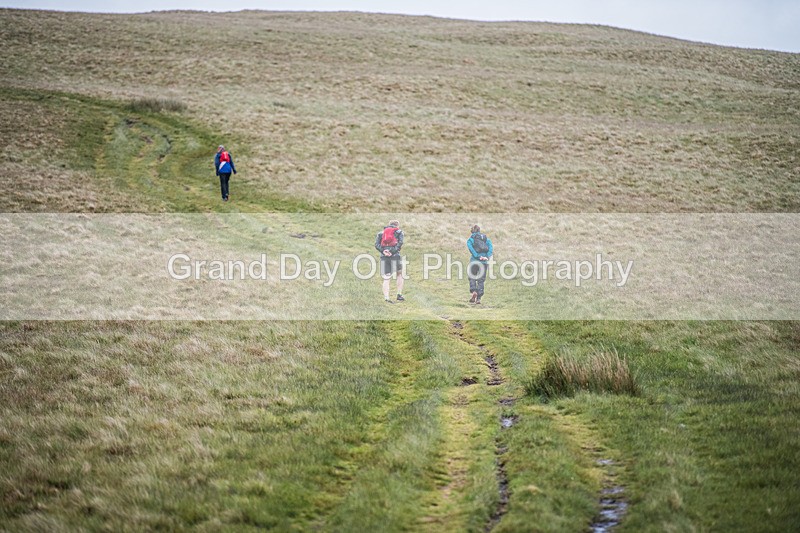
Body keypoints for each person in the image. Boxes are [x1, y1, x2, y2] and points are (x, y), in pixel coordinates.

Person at [375, 220, 405, 304]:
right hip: (395, 256)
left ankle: (386, 298)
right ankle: (399, 294)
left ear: (389, 225)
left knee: (387, 277)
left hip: (384, 257)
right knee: (399, 274)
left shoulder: (381, 233)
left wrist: (384, 251)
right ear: (397, 226)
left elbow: (376, 245)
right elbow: (400, 243)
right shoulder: (399, 232)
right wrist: (393, 251)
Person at [467, 224, 493, 304]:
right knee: (481, 280)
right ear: (479, 230)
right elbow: (491, 248)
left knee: (472, 276)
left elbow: (471, 248)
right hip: (484, 262)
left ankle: (474, 291)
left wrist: (477, 256)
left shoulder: (470, 239)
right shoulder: (486, 239)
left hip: (474, 261)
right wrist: (486, 257)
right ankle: (478, 298)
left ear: (472, 231)